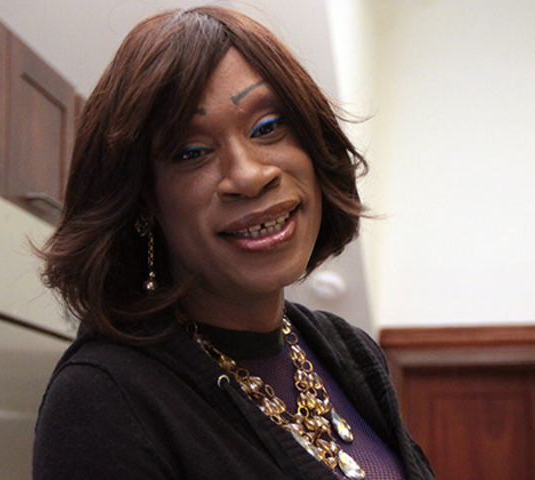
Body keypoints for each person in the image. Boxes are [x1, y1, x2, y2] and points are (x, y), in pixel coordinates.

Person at [33, 6, 435, 480]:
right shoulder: (104, 401)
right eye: (191, 152)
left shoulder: (350, 352)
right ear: (144, 200)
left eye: (267, 127)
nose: (248, 176)